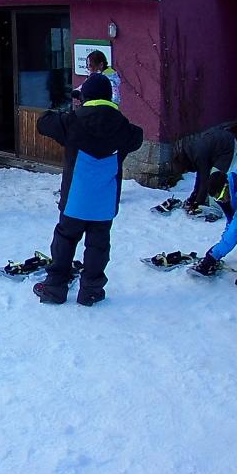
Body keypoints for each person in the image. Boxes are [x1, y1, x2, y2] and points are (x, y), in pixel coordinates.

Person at [34, 73, 143, 305]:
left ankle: (55, 289)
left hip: (75, 200)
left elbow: (43, 123)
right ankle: (91, 291)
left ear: (85, 98)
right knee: (98, 245)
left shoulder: (72, 121)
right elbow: (138, 137)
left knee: (65, 240)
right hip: (104, 203)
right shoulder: (123, 126)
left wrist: (70, 109)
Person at [172, 127, 237, 211]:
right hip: (220, 143)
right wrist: (193, 197)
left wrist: (197, 203)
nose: (187, 171)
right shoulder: (191, 152)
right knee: (210, 179)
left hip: (228, 146)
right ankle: (208, 202)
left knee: (215, 180)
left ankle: (215, 210)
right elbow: (200, 177)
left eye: (185, 170)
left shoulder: (198, 156)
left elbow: (204, 180)